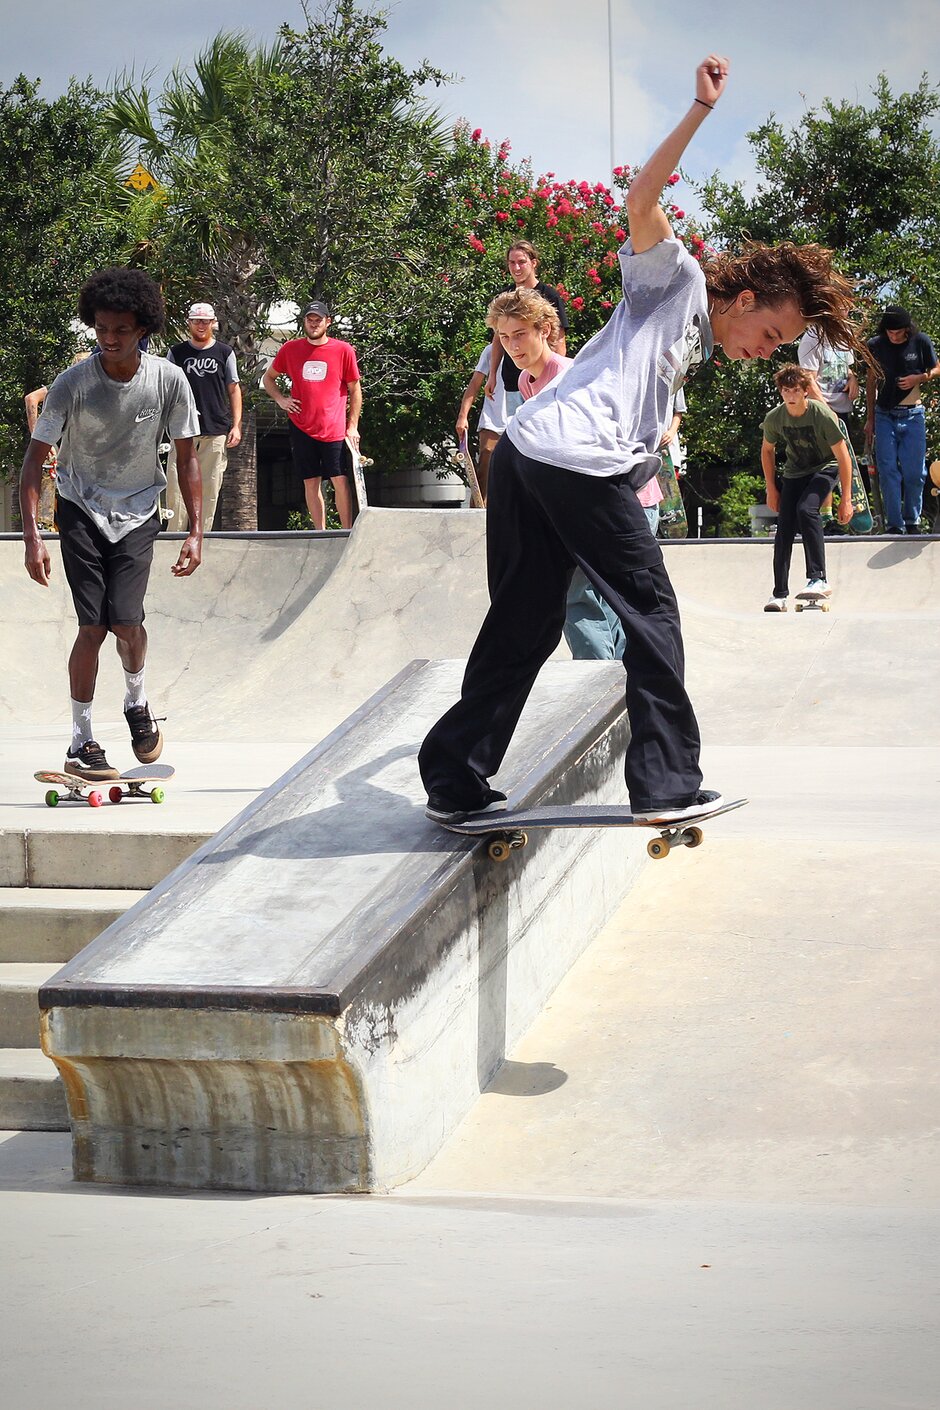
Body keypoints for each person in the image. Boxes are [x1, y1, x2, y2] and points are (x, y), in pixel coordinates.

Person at [419, 53, 864, 826]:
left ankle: (453, 778)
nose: (768, 352)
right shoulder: (679, 279)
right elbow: (643, 197)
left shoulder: (690, 332)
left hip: (529, 453)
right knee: (651, 611)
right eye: (771, 333)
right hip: (574, 460)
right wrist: (699, 110)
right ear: (748, 297)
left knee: (525, 618)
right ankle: (664, 786)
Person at [19, 267, 202, 781]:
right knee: (92, 626)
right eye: (101, 330)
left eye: (121, 330)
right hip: (79, 507)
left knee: (127, 621)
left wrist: (195, 531)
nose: (110, 340)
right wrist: (33, 536)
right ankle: (81, 740)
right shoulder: (73, 382)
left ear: (142, 328)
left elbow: (187, 459)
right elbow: (34, 459)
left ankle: (136, 702)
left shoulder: (168, 379)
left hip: (141, 509)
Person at [261, 300, 362, 530]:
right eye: (310, 319)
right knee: (310, 480)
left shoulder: (343, 350)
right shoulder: (290, 349)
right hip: (301, 425)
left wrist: (352, 425)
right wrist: (281, 399)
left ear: (328, 322)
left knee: (340, 480)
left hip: (334, 428)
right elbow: (269, 378)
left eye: (318, 320)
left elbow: (355, 388)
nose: (314, 324)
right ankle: (320, 532)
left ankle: (346, 532)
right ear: (304, 322)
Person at [760, 364, 853, 611]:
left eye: (795, 391)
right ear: (781, 391)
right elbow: (767, 450)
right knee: (784, 528)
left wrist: (847, 499)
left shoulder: (821, 414)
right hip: (794, 472)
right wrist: (771, 488)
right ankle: (779, 594)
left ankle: (818, 578)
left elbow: (844, 457)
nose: (790, 396)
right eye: (786, 390)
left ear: (804, 392)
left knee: (807, 509)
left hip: (825, 467)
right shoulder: (775, 418)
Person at [165, 302, 242, 532]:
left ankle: (201, 535)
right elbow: (166, 389)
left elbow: (234, 388)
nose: (201, 325)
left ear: (213, 323)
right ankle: (174, 536)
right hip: (182, 430)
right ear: (189, 323)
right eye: (196, 320)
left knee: (210, 486)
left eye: (205, 321)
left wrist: (236, 425)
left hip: (215, 428)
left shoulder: (224, 352)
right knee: (176, 486)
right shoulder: (176, 352)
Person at [865, 306, 939, 534]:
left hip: (913, 414)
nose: (894, 336)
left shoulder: (920, 341)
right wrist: (870, 419)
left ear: (907, 329)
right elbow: (870, 381)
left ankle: (912, 520)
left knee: (915, 472)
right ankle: (894, 524)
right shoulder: (875, 345)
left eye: (898, 332)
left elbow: (937, 368)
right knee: (888, 471)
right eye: (890, 332)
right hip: (885, 414)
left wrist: (920, 377)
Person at [484, 241, 568, 417]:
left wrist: (557, 378)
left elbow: (559, 340)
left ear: (533, 262)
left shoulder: (550, 295)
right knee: (518, 437)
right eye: (511, 262)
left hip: (546, 379)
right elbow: (498, 339)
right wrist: (492, 374)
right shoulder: (504, 298)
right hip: (514, 380)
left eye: (521, 262)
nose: (516, 267)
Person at [455, 343, 507, 501]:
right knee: (486, 466)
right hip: (493, 420)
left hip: (519, 421)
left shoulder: (528, 348)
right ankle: (477, 515)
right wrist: (462, 416)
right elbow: (475, 384)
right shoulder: (491, 351)